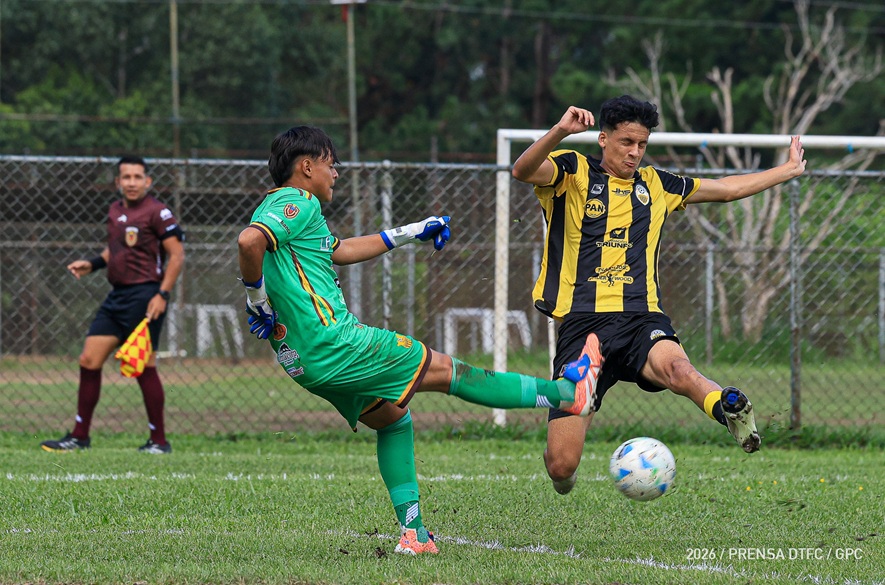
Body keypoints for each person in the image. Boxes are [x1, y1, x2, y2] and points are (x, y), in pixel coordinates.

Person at [237, 125, 600, 555]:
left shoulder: (295, 215)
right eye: (331, 166)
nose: (336, 174)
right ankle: (565, 393)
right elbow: (249, 241)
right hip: (335, 343)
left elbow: (341, 249)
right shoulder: (295, 200)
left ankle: (415, 534)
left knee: (392, 420)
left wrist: (413, 230)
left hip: (304, 363)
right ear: (307, 166)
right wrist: (256, 300)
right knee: (449, 371)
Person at [511, 96, 807, 495]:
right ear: (603, 138)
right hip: (582, 328)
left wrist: (786, 170)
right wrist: (561, 131)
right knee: (561, 466)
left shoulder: (656, 184)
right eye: (626, 142)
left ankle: (727, 408)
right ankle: (564, 474)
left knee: (679, 371)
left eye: (642, 144)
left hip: (641, 317)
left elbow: (724, 190)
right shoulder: (572, 170)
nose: (635, 152)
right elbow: (523, 170)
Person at [41, 156, 185, 455]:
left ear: (148, 181)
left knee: (144, 366)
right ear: (117, 182)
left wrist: (163, 295)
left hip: (145, 296)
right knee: (88, 360)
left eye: (137, 176)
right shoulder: (115, 210)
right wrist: (92, 264)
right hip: (116, 297)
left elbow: (177, 255)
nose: (131, 182)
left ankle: (158, 442)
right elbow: (115, 249)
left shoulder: (158, 212)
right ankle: (79, 436)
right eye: (126, 177)